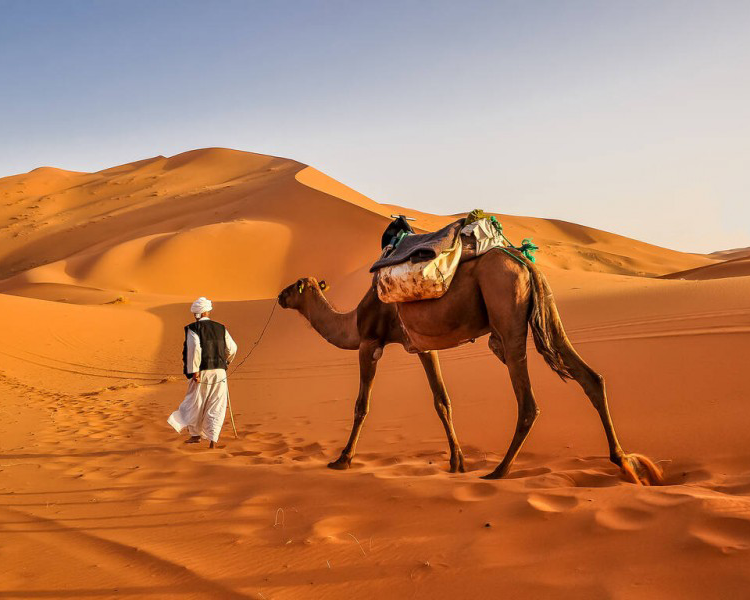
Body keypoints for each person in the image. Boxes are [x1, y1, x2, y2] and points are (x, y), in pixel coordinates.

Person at [167, 297, 237, 448]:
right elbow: (232, 348)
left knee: (195, 402)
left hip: (202, 372)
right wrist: (226, 362)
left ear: (196, 313)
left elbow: (194, 350)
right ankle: (212, 439)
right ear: (208, 311)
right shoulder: (221, 327)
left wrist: (195, 372)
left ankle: (195, 435)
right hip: (220, 372)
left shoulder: (193, 328)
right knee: (216, 404)